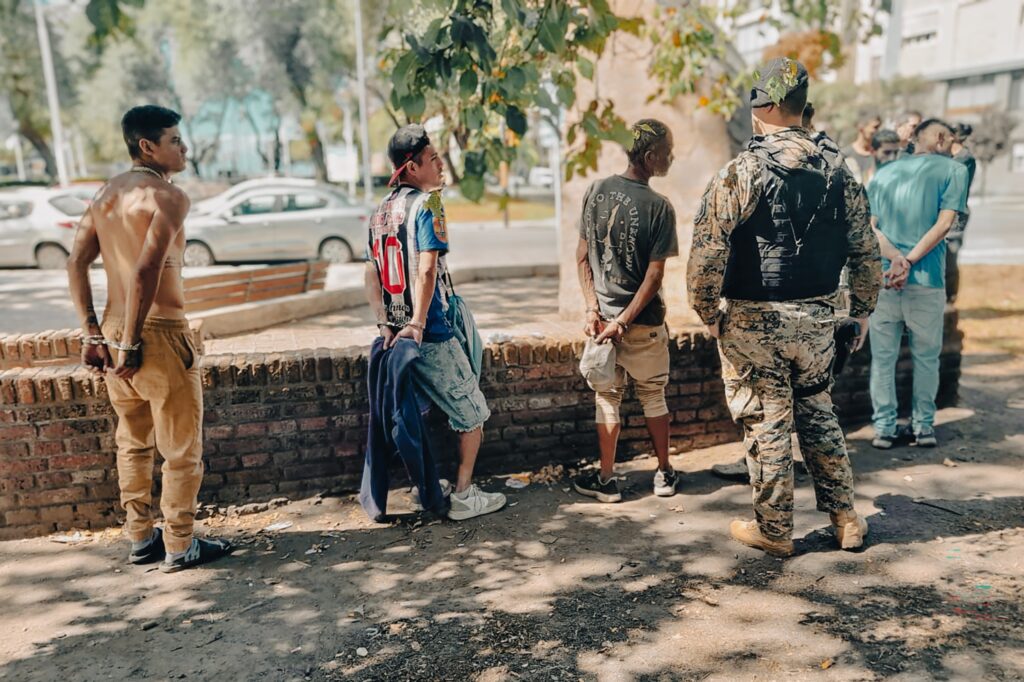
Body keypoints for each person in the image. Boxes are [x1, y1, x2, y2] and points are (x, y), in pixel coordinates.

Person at [688, 57, 882, 557]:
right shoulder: (839, 171)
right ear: (802, 105)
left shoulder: (741, 172)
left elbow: (708, 252)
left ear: (764, 107)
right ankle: (845, 519)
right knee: (818, 413)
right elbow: (865, 250)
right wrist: (861, 310)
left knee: (768, 422)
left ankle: (774, 531)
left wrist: (707, 312)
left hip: (754, 322)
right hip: (818, 319)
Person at [66, 105, 232, 573]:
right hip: (155, 333)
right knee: (181, 449)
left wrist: (93, 332)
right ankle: (180, 543)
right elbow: (146, 269)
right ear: (147, 146)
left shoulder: (105, 195)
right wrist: (132, 342)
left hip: (113, 328)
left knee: (134, 441)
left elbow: (76, 262)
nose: (184, 148)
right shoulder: (168, 197)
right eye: (175, 140)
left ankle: (140, 537)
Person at [364, 124, 506, 521]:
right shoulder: (429, 205)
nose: (441, 164)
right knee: (472, 413)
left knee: (416, 413)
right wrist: (419, 323)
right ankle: (463, 495)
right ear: (411, 167)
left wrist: (385, 324)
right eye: (433, 159)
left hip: (395, 337)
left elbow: (371, 274)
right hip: (430, 332)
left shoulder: (379, 212)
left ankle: (422, 487)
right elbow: (426, 270)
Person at [573, 119, 680, 503]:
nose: (671, 158)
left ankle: (606, 481)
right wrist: (624, 320)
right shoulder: (659, 207)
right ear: (650, 157)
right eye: (667, 152)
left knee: (607, 399)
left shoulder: (596, 190)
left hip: (602, 324)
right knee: (653, 396)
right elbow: (653, 277)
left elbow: (582, 256)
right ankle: (664, 473)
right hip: (643, 324)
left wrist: (594, 310)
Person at [867, 119, 968, 449]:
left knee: (883, 359)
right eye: (950, 140)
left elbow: (869, 228)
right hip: (926, 279)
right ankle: (923, 427)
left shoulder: (883, 173)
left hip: (886, 278)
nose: (953, 146)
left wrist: (895, 259)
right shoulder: (954, 171)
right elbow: (944, 224)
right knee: (926, 359)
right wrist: (908, 261)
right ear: (939, 138)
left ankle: (884, 428)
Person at [946, 123, 977, 302]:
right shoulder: (949, 157)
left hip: (956, 216)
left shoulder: (965, 158)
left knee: (950, 256)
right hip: (946, 213)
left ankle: (950, 297)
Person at [842, 113, 882, 185]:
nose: (877, 131)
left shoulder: (880, 154)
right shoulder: (845, 154)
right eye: (875, 127)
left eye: (879, 127)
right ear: (861, 127)